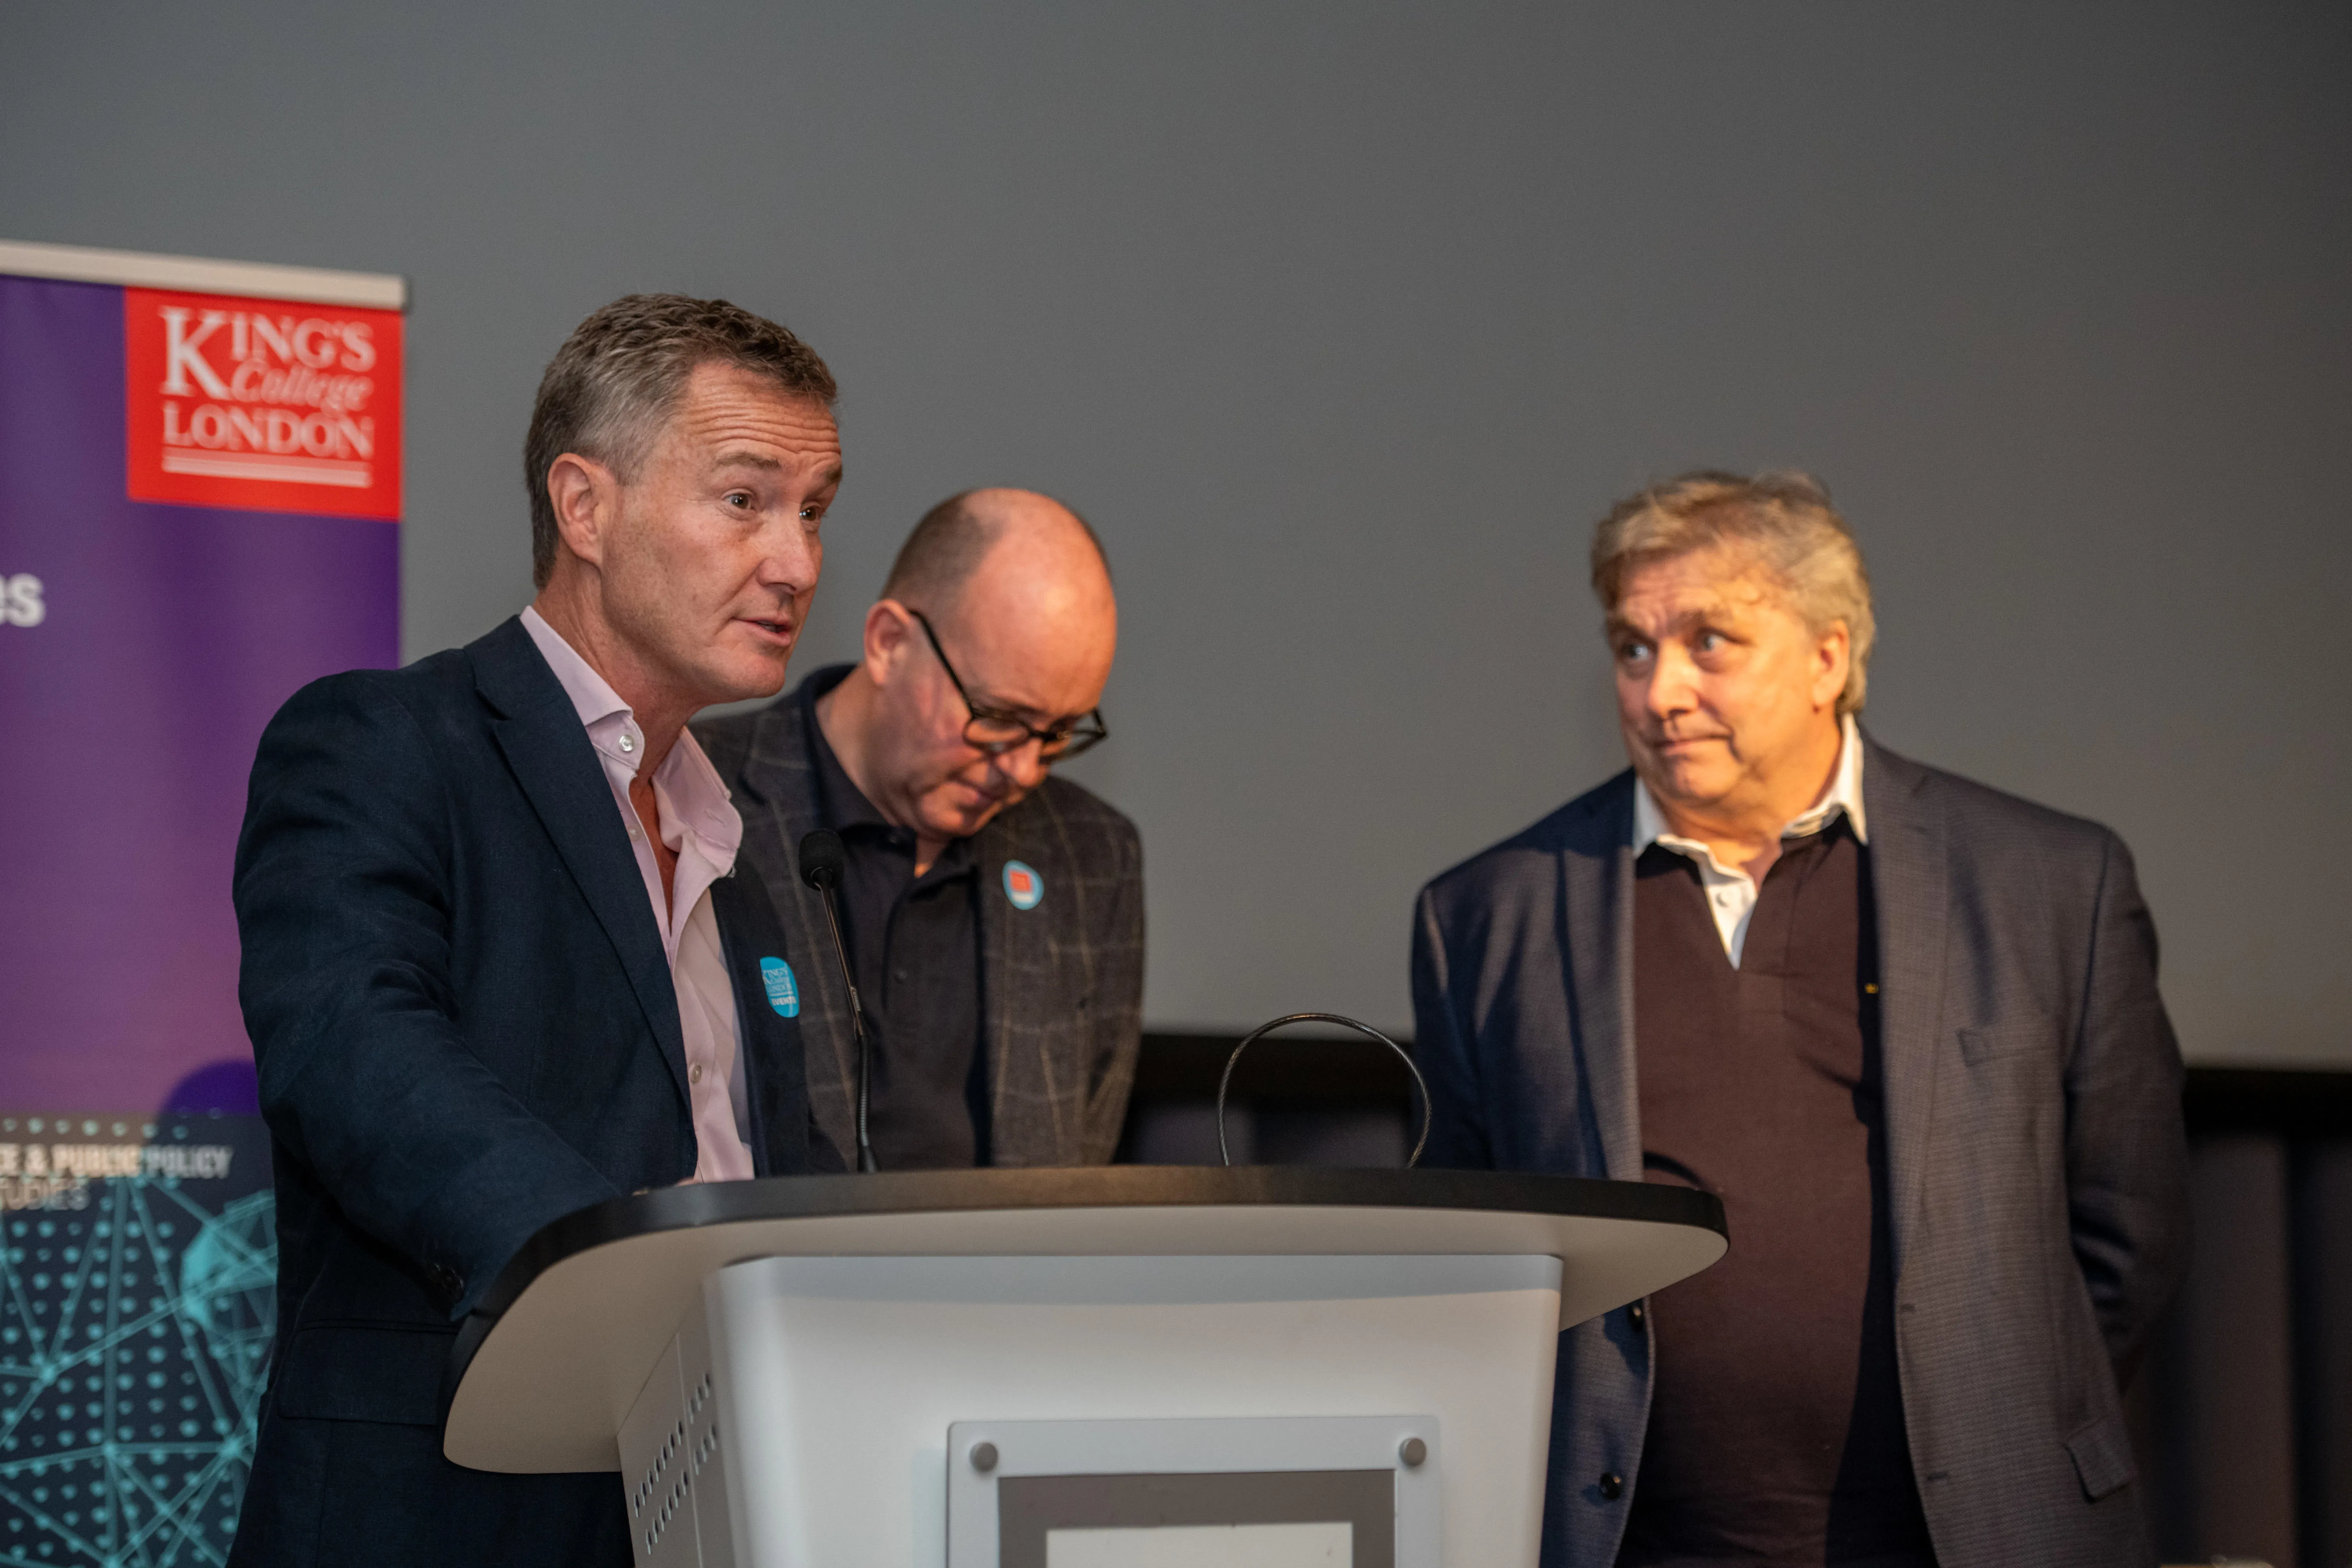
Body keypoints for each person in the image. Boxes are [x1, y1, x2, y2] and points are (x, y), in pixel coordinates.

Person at [1411, 471, 2188, 1568]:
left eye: (1708, 642)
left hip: (1974, 1542)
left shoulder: (2048, 884)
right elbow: (1475, 1264)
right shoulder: (1490, 914)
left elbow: (2130, 1233)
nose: (1660, 690)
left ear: (1829, 656)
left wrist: (1996, 1421)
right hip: (1635, 1546)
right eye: (1632, 649)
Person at [229, 294, 844, 1567]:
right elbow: (358, 1055)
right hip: (445, 1517)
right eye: (746, 499)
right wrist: (633, 1276)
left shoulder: (744, 844)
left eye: (815, 509)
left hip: (715, 1509)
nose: (796, 562)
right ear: (585, 508)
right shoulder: (384, 745)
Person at [696, 488, 1142, 1168]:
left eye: (1056, 734)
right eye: (996, 716)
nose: (1023, 770)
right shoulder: (694, 792)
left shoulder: (1092, 854)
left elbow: (1083, 1154)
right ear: (890, 643)